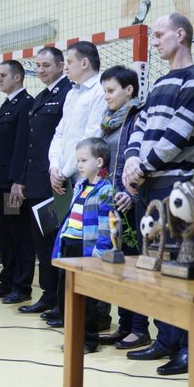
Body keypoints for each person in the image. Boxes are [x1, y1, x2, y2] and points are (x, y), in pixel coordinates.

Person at [122, 13, 194, 376]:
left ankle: (189, 347)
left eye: (159, 34)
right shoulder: (159, 82)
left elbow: (177, 135)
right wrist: (130, 162)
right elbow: (139, 128)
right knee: (154, 264)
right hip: (147, 184)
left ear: (181, 34)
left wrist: (141, 167)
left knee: (179, 267)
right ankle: (165, 339)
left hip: (174, 184)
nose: (154, 40)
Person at [45, 41, 107, 328]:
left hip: (84, 177)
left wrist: (68, 169)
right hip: (64, 176)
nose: (65, 66)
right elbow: (60, 133)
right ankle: (67, 309)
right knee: (66, 242)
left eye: (69, 61)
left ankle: (94, 317)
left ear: (84, 63)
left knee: (89, 246)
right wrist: (54, 166)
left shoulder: (98, 92)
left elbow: (91, 137)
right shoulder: (71, 94)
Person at [97, 65, 152, 351]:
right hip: (111, 202)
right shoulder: (108, 120)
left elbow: (140, 160)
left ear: (129, 90)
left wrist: (132, 192)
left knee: (135, 265)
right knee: (118, 266)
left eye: (111, 90)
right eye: (104, 91)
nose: (106, 97)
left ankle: (141, 329)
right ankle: (125, 324)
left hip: (132, 201)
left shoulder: (139, 117)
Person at [17, 48, 72, 315]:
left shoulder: (67, 95)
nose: (41, 70)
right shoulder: (42, 97)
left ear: (62, 66)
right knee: (41, 242)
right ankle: (48, 295)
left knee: (53, 241)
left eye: (46, 65)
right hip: (36, 185)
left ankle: (59, 300)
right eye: (37, 65)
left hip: (54, 186)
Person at [52, 137, 115, 354]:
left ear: (98, 162)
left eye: (83, 160)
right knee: (65, 293)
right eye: (78, 160)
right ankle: (71, 334)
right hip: (68, 244)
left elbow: (107, 225)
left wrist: (100, 251)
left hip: (85, 249)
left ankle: (87, 340)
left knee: (86, 299)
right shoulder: (80, 186)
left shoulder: (105, 190)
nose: (79, 165)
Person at [0, 60, 35, 304]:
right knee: (4, 234)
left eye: (3, 75)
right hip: (0, 182)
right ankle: (7, 280)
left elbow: (22, 146)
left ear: (18, 77)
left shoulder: (25, 104)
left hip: (12, 184)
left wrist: (17, 180)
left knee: (18, 233)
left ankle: (21, 286)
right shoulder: (7, 105)